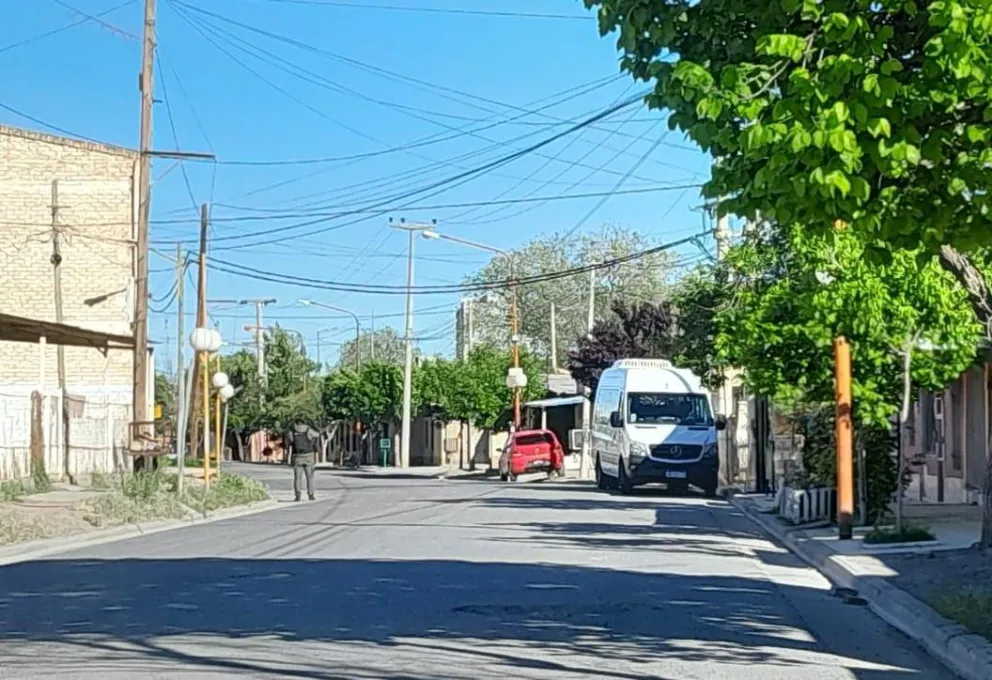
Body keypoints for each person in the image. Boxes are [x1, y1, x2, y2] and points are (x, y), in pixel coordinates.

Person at [284, 420, 319, 501]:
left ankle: (298, 495)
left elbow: (287, 444)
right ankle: (311, 495)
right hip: (309, 456)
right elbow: (317, 435)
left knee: (297, 477)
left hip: (297, 456)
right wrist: (316, 449)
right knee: (310, 477)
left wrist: (288, 457)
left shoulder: (292, 432)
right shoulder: (309, 430)